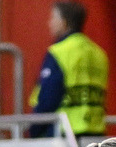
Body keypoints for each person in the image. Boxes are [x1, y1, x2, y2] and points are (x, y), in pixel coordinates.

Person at [29, 1, 108, 138]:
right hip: (96, 133)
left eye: (53, 18)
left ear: (64, 22)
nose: (50, 23)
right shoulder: (99, 53)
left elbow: (48, 99)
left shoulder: (60, 52)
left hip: (65, 133)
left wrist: (34, 131)